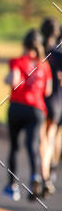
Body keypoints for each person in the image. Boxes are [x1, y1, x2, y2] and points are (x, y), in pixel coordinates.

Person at [3, 29, 52, 201]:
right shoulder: (44, 65)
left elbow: (13, 80)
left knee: (14, 147)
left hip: (17, 107)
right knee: (33, 147)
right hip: (36, 110)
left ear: (23, 44)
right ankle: (34, 177)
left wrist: (7, 79)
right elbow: (48, 90)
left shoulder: (18, 61)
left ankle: (12, 185)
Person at [40, 18, 62, 196]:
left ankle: (45, 174)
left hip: (45, 100)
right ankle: (53, 167)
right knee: (56, 135)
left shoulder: (40, 52)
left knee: (46, 139)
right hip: (59, 100)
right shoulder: (59, 53)